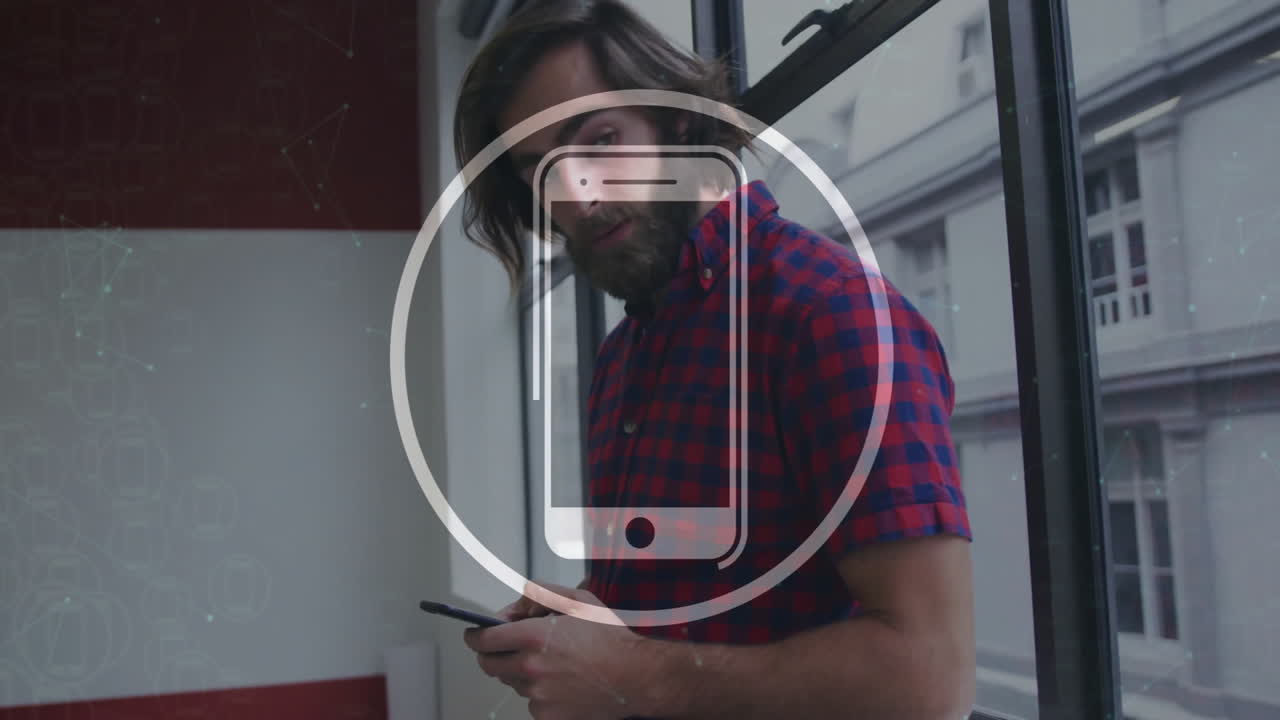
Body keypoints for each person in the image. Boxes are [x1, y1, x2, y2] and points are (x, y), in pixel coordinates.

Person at [452, 1, 975, 718]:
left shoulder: (831, 316)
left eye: (601, 140)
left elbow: (930, 681)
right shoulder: (622, 359)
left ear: (679, 121)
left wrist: (633, 671)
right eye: (540, 170)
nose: (579, 194)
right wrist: (590, 630)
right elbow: (690, 616)